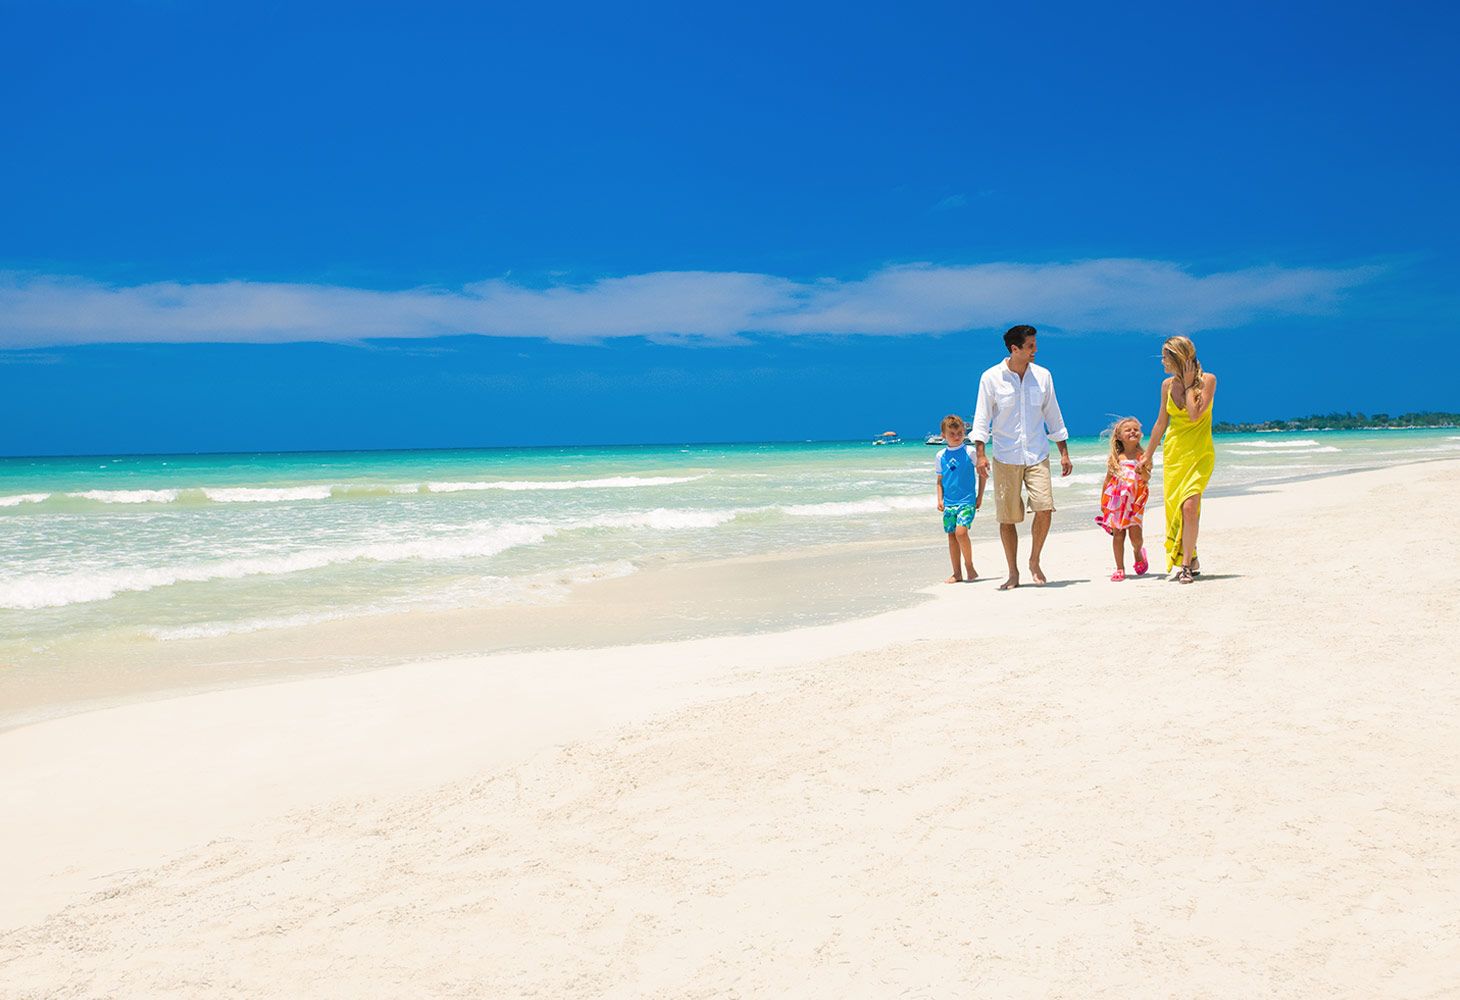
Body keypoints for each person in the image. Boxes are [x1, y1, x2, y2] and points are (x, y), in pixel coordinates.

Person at [971, 324, 1073, 590]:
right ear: (1014, 349)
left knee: (1044, 507)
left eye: (1034, 345)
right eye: (1030, 346)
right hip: (1006, 455)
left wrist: (1064, 452)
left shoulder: (1043, 376)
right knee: (1007, 518)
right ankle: (1013, 572)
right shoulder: (991, 377)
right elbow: (982, 419)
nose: (1035, 350)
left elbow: (1053, 414)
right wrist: (981, 455)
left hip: (1038, 453)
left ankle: (1034, 560)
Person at [1141, 335, 1217, 583]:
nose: (1162, 361)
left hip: (1199, 453)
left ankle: (1184, 566)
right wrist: (1147, 455)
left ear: (1178, 358)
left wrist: (1187, 384)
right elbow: (1161, 423)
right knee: (1177, 510)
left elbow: (1195, 415)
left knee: (1190, 506)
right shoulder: (1165, 386)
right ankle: (1191, 557)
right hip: (1175, 454)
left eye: (1165, 357)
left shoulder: (1208, 381)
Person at [1095, 417, 1151, 581]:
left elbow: (1147, 478)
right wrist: (1103, 503)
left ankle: (1138, 553)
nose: (1133, 431)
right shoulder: (1116, 458)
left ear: (1140, 434)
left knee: (1136, 538)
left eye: (1136, 429)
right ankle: (1120, 568)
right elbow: (1107, 481)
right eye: (1128, 430)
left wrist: (1143, 472)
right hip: (1117, 502)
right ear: (1119, 436)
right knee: (1118, 534)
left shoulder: (1143, 456)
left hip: (1135, 501)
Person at [934, 414, 986, 583]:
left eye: (960, 433)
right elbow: (940, 481)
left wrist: (980, 496)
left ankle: (969, 566)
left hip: (967, 501)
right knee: (951, 536)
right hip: (949, 503)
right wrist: (940, 499)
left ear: (964, 432)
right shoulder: (940, 456)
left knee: (961, 533)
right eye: (952, 434)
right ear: (943, 435)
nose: (956, 437)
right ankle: (957, 573)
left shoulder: (970, 451)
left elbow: (983, 475)